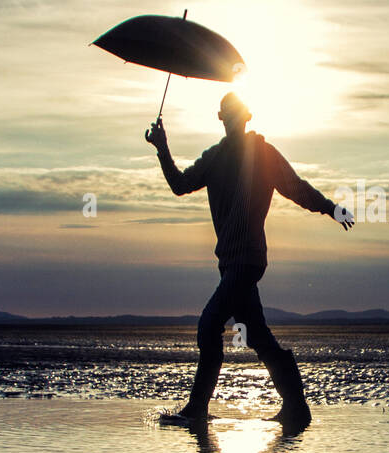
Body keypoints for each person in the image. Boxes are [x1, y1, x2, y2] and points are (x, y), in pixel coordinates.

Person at [147, 91, 353, 431]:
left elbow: (297, 188)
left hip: (248, 260)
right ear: (221, 119)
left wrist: (330, 207)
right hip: (230, 263)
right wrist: (162, 148)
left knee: (209, 323)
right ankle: (296, 408)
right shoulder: (214, 158)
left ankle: (197, 407)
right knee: (257, 335)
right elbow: (180, 185)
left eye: (235, 115)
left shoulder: (264, 154)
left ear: (246, 118)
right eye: (225, 115)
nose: (230, 121)